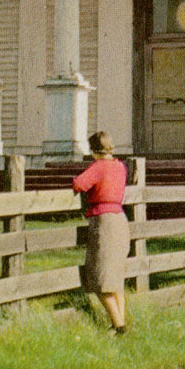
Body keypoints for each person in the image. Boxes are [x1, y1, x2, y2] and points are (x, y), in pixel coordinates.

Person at [72, 131, 131, 335]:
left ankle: (119, 326)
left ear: (94, 150)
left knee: (100, 279)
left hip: (104, 222)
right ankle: (119, 324)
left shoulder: (98, 167)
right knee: (115, 279)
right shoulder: (120, 166)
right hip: (120, 219)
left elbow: (79, 184)